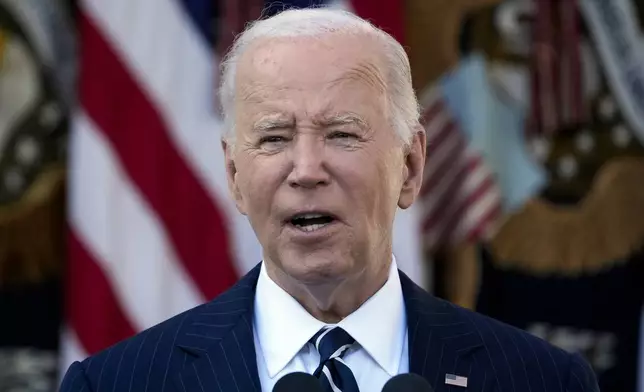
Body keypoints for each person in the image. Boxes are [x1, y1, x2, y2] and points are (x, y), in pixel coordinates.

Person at [59, 8, 600, 392]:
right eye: (274, 138)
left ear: (410, 167)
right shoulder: (116, 383)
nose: (306, 169)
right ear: (234, 177)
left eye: (342, 134)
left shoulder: (544, 380)